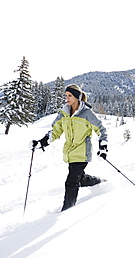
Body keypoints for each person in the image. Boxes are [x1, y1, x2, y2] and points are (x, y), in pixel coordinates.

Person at [36, 84, 108, 212]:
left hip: (82, 153)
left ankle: (67, 211)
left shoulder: (86, 114)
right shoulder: (64, 113)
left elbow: (101, 129)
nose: (67, 98)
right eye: (66, 95)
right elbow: (55, 131)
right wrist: (41, 142)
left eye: (70, 95)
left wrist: (103, 146)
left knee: (71, 182)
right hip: (70, 153)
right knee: (79, 179)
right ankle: (99, 181)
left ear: (77, 97)